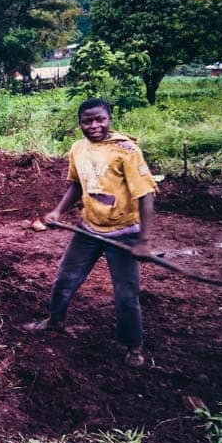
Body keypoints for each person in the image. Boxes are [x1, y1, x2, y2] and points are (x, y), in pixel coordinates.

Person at [23, 98, 157, 368]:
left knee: (126, 294)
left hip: (124, 233)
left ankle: (133, 346)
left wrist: (144, 240)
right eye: (87, 121)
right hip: (88, 228)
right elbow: (76, 185)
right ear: (80, 123)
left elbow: (146, 195)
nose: (94, 125)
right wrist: (57, 211)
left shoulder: (126, 151)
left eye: (100, 119)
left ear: (109, 119)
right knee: (64, 278)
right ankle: (55, 321)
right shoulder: (78, 149)